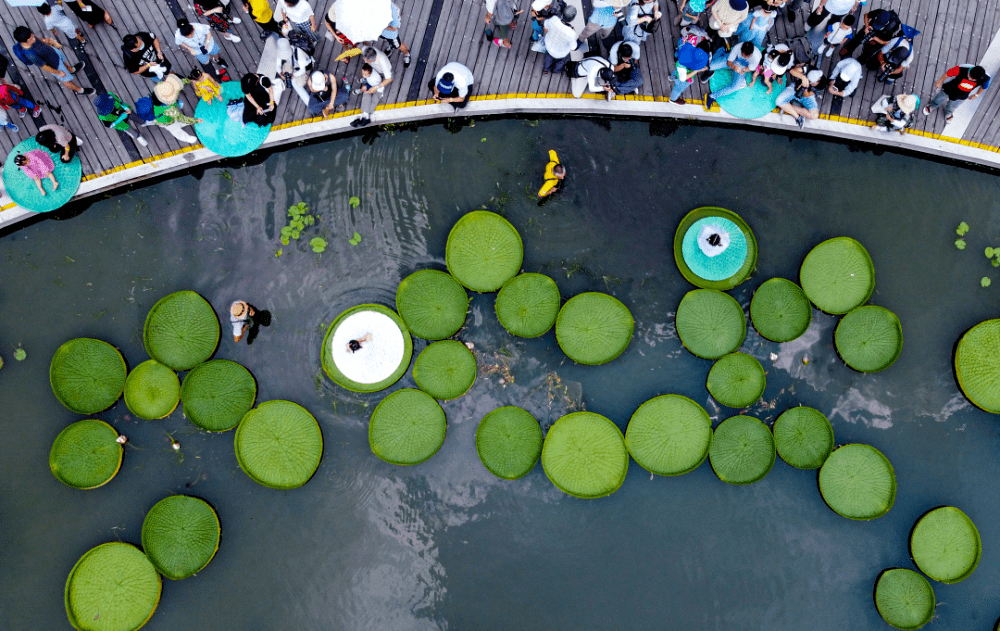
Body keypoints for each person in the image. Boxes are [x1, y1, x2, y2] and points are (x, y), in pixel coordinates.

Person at [11, 27, 95, 95]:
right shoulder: (30, 54)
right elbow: (44, 66)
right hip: (54, 65)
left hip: (54, 53)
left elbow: (40, 40)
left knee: (64, 64)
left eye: (32, 35)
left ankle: (71, 70)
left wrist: (46, 41)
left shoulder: (30, 36)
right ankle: (79, 90)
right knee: (65, 80)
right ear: (24, 41)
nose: (33, 37)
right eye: (31, 38)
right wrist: (58, 72)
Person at [703, 42, 762, 109]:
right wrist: (734, 67)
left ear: (750, 55)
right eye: (742, 54)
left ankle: (712, 96)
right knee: (709, 67)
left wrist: (743, 70)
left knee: (735, 87)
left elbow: (749, 69)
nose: (743, 56)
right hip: (732, 62)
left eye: (745, 56)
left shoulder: (757, 57)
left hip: (742, 68)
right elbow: (729, 62)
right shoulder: (737, 47)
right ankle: (722, 48)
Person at [924, 64, 991, 123]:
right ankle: (933, 105)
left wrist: (976, 95)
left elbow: (984, 87)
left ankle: (949, 113)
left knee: (954, 105)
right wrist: (940, 81)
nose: (969, 79)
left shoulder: (986, 78)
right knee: (940, 97)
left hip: (962, 94)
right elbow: (948, 73)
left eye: (972, 79)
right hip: (951, 87)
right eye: (969, 76)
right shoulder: (962, 68)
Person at [669, 29, 712, 103]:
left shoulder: (692, 43)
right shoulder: (683, 67)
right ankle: (673, 99)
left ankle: (672, 77)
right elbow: (683, 78)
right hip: (683, 69)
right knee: (679, 87)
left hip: (681, 59)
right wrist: (697, 70)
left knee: (676, 72)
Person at [541, 5, 577, 74]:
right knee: (561, 62)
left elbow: (546, 25)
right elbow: (573, 47)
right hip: (561, 53)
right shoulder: (571, 33)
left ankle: (545, 70)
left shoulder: (554, 20)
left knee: (548, 58)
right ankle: (555, 71)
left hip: (549, 47)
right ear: (572, 19)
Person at [380, 2, 411, 66]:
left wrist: (379, 26)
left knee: (398, 45)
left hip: (390, 34)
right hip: (380, 33)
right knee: (388, 40)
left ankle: (407, 54)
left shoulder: (391, 11)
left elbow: (394, 28)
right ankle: (391, 45)